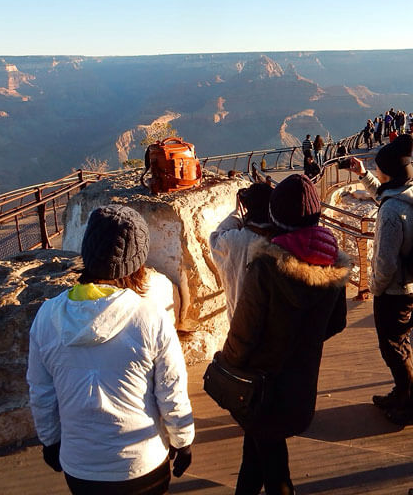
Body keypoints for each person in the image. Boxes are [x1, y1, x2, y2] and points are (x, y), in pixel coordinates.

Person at [27, 205, 194, 495]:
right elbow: (171, 390)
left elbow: (41, 392)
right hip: (142, 465)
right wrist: (183, 440)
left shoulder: (47, 316)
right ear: (137, 262)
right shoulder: (150, 317)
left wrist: (50, 441)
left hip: (81, 467)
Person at [220, 174, 350, 494]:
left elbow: (244, 333)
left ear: (275, 218)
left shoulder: (266, 267)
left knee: (274, 469)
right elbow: (337, 322)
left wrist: (226, 367)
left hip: (261, 386)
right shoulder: (332, 262)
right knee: (258, 454)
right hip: (300, 383)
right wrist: (302, 342)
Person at [348, 134, 413, 426]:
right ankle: (403, 392)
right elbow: (385, 193)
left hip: (395, 291)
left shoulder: (392, 212)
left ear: (389, 172)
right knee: (401, 343)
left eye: (378, 169)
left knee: (392, 348)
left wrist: (374, 288)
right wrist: (363, 175)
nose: (378, 173)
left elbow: (384, 261)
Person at [210, 183, 274, 324]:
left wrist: (236, 215)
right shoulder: (279, 241)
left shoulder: (234, 240)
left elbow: (215, 239)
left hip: (241, 329)